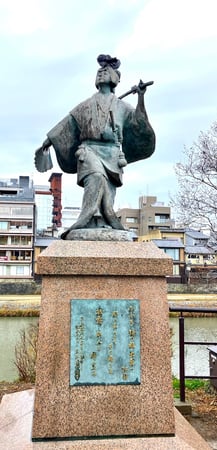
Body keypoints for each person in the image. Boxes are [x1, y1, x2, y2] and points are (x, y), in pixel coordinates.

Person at [35, 54, 156, 239]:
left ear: (115, 79)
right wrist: (49, 141)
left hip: (112, 153)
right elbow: (68, 123)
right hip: (89, 150)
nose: (100, 74)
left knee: (108, 191)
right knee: (96, 178)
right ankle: (85, 220)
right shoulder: (86, 105)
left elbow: (138, 122)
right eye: (99, 72)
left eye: (105, 72)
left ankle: (104, 221)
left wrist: (140, 97)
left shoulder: (122, 106)